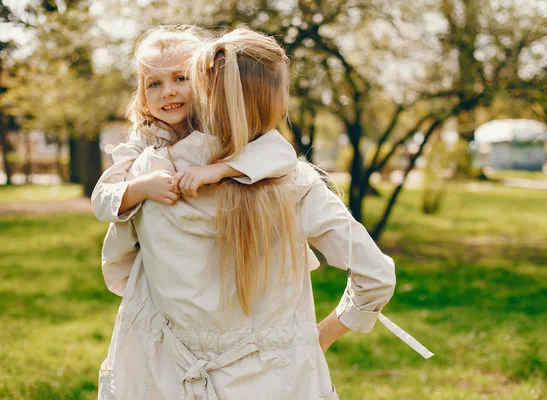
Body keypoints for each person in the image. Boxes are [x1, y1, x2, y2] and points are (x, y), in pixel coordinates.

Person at [98, 27, 431, 400]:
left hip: (168, 376)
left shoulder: (149, 178)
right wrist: (320, 336)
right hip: (283, 381)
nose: (169, 91)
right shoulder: (295, 183)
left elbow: (119, 269)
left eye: (181, 78)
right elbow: (376, 277)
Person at [91, 25, 297, 295]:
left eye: (180, 78)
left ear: (205, 82)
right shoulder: (142, 139)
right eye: (154, 83)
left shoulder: (219, 128)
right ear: (143, 97)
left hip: (218, 259)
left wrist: (218, 170)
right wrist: (141, 187)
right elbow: (101, 199)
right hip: (157, 267)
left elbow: (280, 153)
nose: (167, 91)